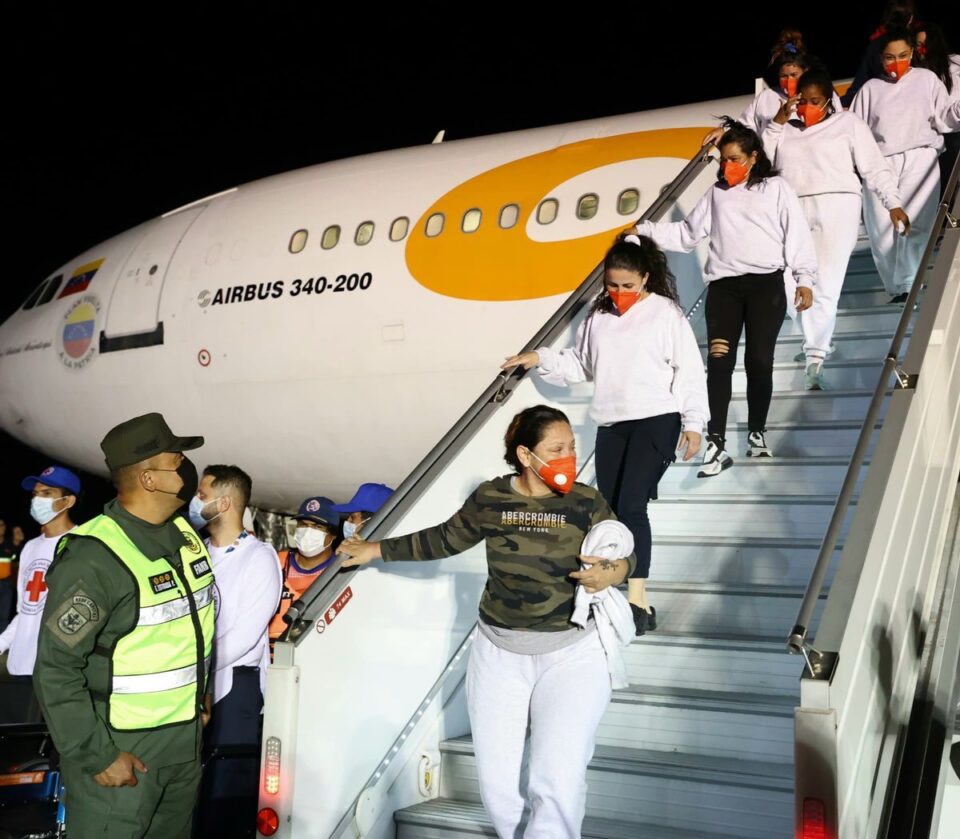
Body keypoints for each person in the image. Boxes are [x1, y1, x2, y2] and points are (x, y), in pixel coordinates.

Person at [339, 405, 634, 839]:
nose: (569, 455)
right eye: (556, 448)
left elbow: (623, 552)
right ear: (525, 455)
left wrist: (612, 572)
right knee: (499, 786)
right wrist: (375, 550)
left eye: (571, 446)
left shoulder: (585, 501)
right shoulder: (491, 498)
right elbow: (443, 538)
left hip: (573, 654)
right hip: (498, 654)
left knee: (557, 779)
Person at [502, 234, 708, 635]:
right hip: (612, 425)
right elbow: (581, 364)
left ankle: (638, 599)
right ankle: (613, 593)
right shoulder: (599, 318)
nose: (619, 293)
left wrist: (695, 423)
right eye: (612, 285)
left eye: (628, 286)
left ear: (645, 278)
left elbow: (690, 370)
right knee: (609, 512)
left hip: (656, 419)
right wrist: (540, 357)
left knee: (632, 507)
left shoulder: (665, 314)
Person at [33, 412, 214, 838]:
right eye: (177, 460)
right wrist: (97, 755)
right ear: (149, 479)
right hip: (121, 755)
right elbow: (56, 668)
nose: (188, 469)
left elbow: (195, 626)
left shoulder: (185, 536)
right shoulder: (95, 558)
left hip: (183, 748)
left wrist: (201, 698)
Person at [634, 118, 817, 476]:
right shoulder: (717, 194)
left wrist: (804, 279)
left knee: (760, 361)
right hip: (724, 290)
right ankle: (715, 442)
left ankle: (756, 433)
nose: (727, 166)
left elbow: (797, 234)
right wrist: (644, 230)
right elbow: (687, 234)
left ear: (753, 157)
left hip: (766, 286)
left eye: (734, 159)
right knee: (719, 361)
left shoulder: (776, 188)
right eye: (723, 160)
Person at [762, 67, 910, 389]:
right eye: (803, 101)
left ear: (829, 100)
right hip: (792, 206)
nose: (808, 107)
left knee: (825, 282)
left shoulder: (848, 124)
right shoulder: (785, 129)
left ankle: (815, 355)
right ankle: (815, 340)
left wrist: (892, 203)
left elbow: (874, 166)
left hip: (837, 205)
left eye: (815, 101)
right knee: (783, 278)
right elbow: (763, 156)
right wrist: (778, 121)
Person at [850, 30, 960, 303]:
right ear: (881, 58)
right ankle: (895, 286)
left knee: (916, 223)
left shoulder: (927, 80)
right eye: (890, 57)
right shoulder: (870, 89)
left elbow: (945, 115)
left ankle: (909, 285)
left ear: (912, 53)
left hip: (921, 155)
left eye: (903, 55)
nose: (897, 62)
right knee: (880, 228)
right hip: (882, 161)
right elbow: (855, 129)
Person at [191, 465, 282, 837]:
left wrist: (192, 668)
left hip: (233, 690)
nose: (194, 502)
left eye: (201, 494)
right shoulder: (194, 553)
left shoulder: (259, 558)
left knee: (224, 800)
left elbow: (243, 636)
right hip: (193, 684)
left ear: (224, 502)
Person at [0, 466, 79, 723]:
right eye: (35, 494)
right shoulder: (30, 548)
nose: (37, 500)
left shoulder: (81, 544)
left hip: (56, 674)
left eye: (47, 493)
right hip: (21, 669)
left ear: (67, 501)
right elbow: (26, 611)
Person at [701, 30, 842, 146]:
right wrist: (725, 131)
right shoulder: (766, 97)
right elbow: (746, 126)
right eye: (783, 76)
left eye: (794, 75)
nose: (789, 81)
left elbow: (839, 126)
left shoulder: (823, 92)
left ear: (805, 72)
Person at [913, 23, 960, 190]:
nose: (921, 50)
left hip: (958, 129)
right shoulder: (916, 73)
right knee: (940, 182)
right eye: (918, 45)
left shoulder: (954, 62)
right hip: (934, 133)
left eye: (925, 45)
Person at [269, 496, 341, 640]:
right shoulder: (276, 562)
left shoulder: (340, 572)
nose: (308, 531)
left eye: (317, 527)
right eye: (303, 524)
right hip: (269, 654)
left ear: (333, 535)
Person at [842, 1, 922, 106]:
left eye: (903, 55)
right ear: (911, 19)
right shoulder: (918, 41)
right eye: (889, 57)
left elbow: (858, 85)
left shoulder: (875, 45)